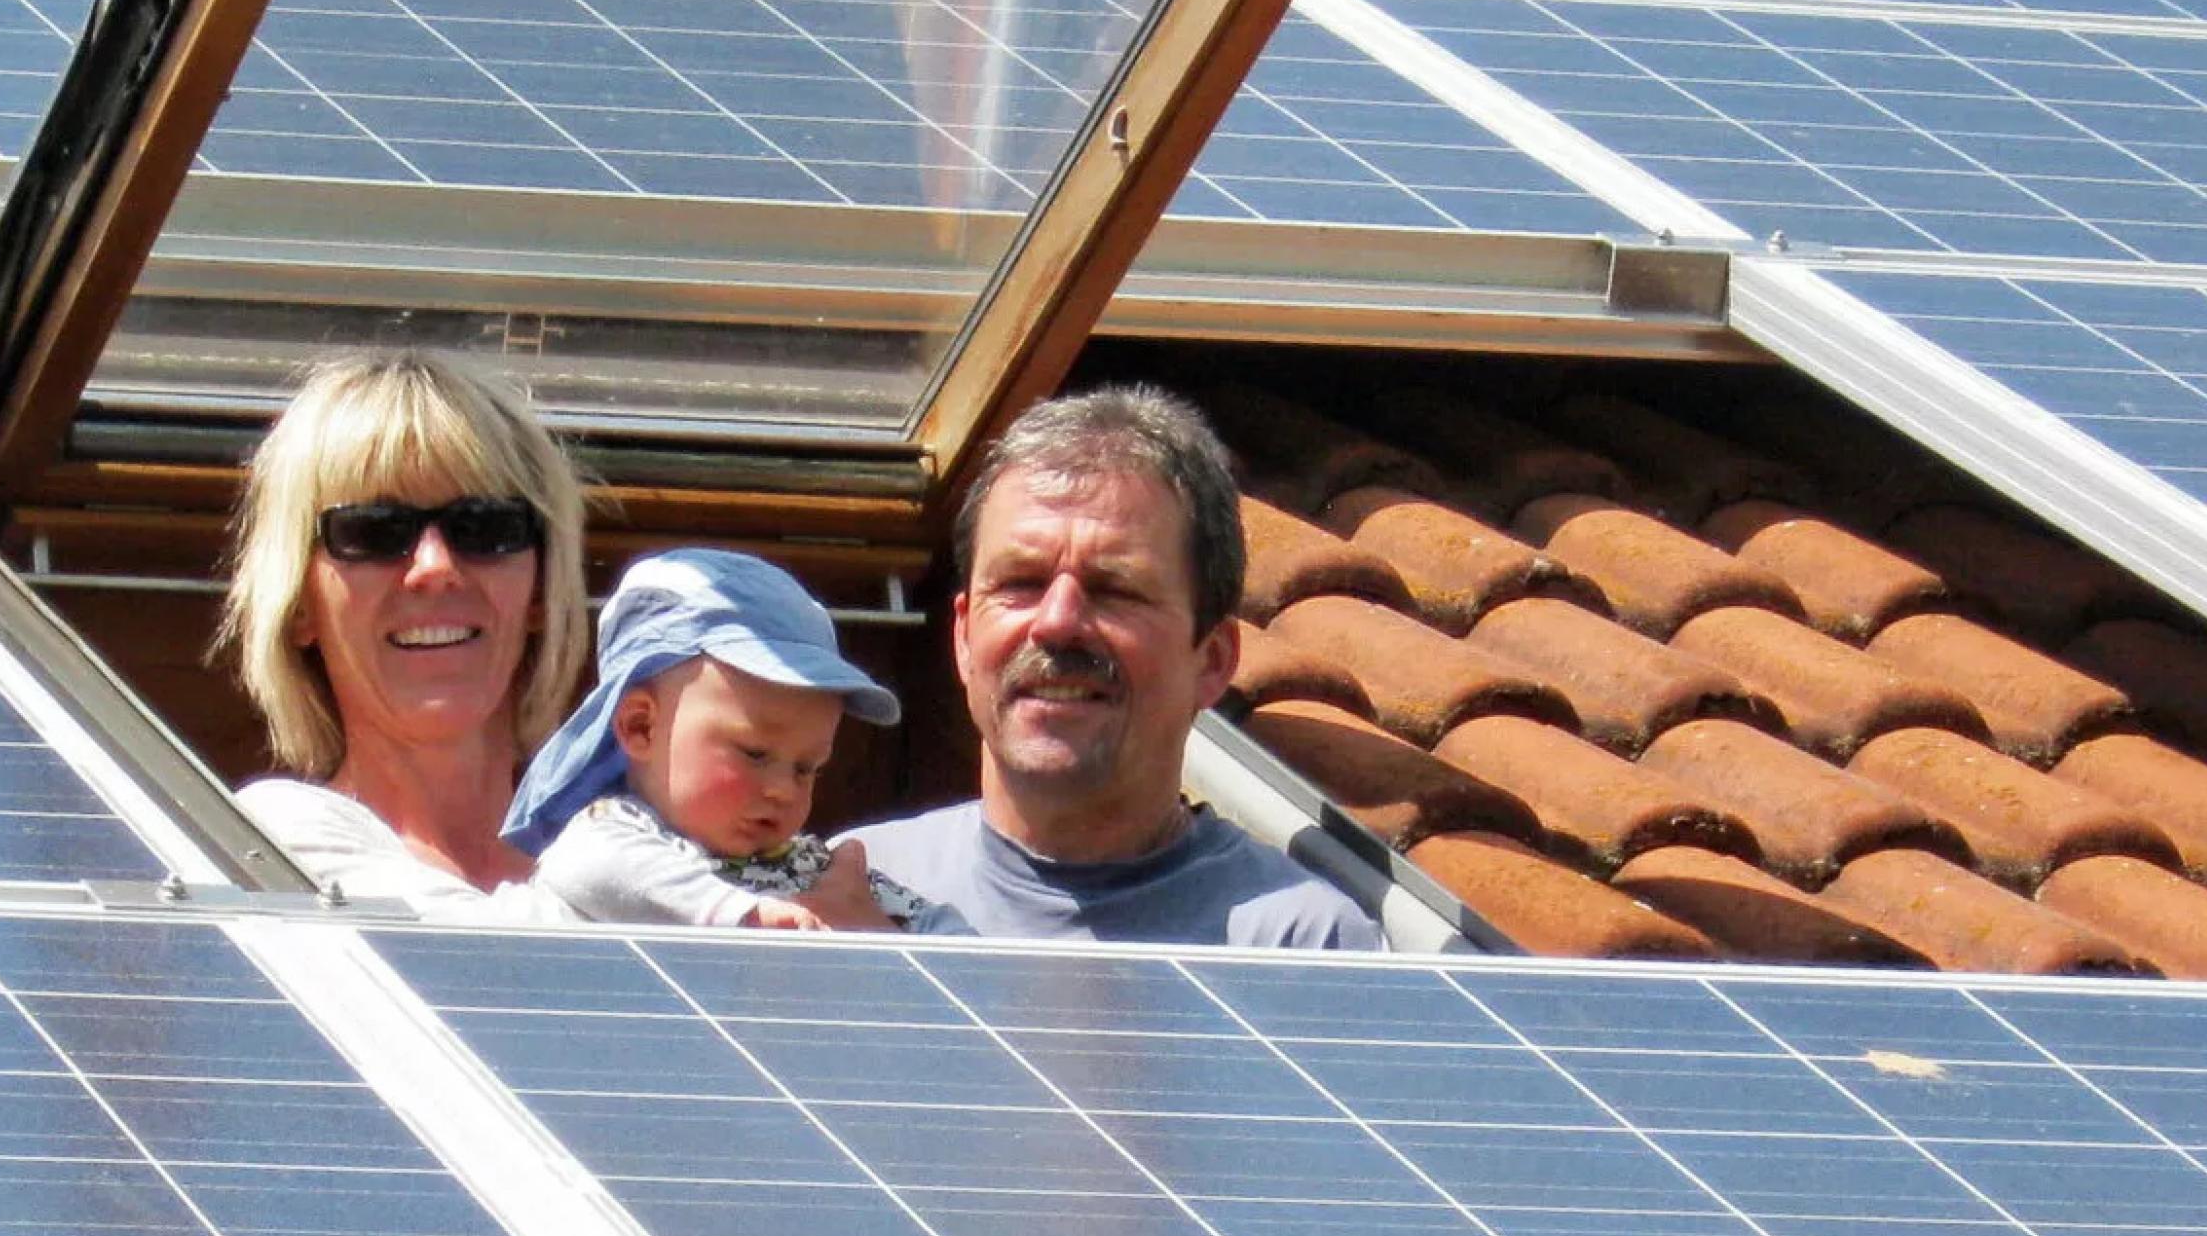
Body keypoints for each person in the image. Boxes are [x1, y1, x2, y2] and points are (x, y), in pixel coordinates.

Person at [842, 386, 1382, 948]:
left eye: (1113, 588)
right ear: (962, 637)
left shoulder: (1299, 949)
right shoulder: (847, 895)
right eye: (1020, 584)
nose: (1056, 623)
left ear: (1214, 659)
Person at [215, 351, 597, 922]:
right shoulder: (275, 850)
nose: (435, 566)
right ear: (298, 604)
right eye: (372, 530)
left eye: (485, 526)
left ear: (541, 587)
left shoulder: (630, 855)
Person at [500, 548, 956, 932]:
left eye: (806, 768)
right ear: (641, 726)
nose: (783, 790)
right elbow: (585, 868)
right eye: (755, 753)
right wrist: (743, 914)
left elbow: (944, 932)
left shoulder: (811, 869)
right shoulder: (614, 833)